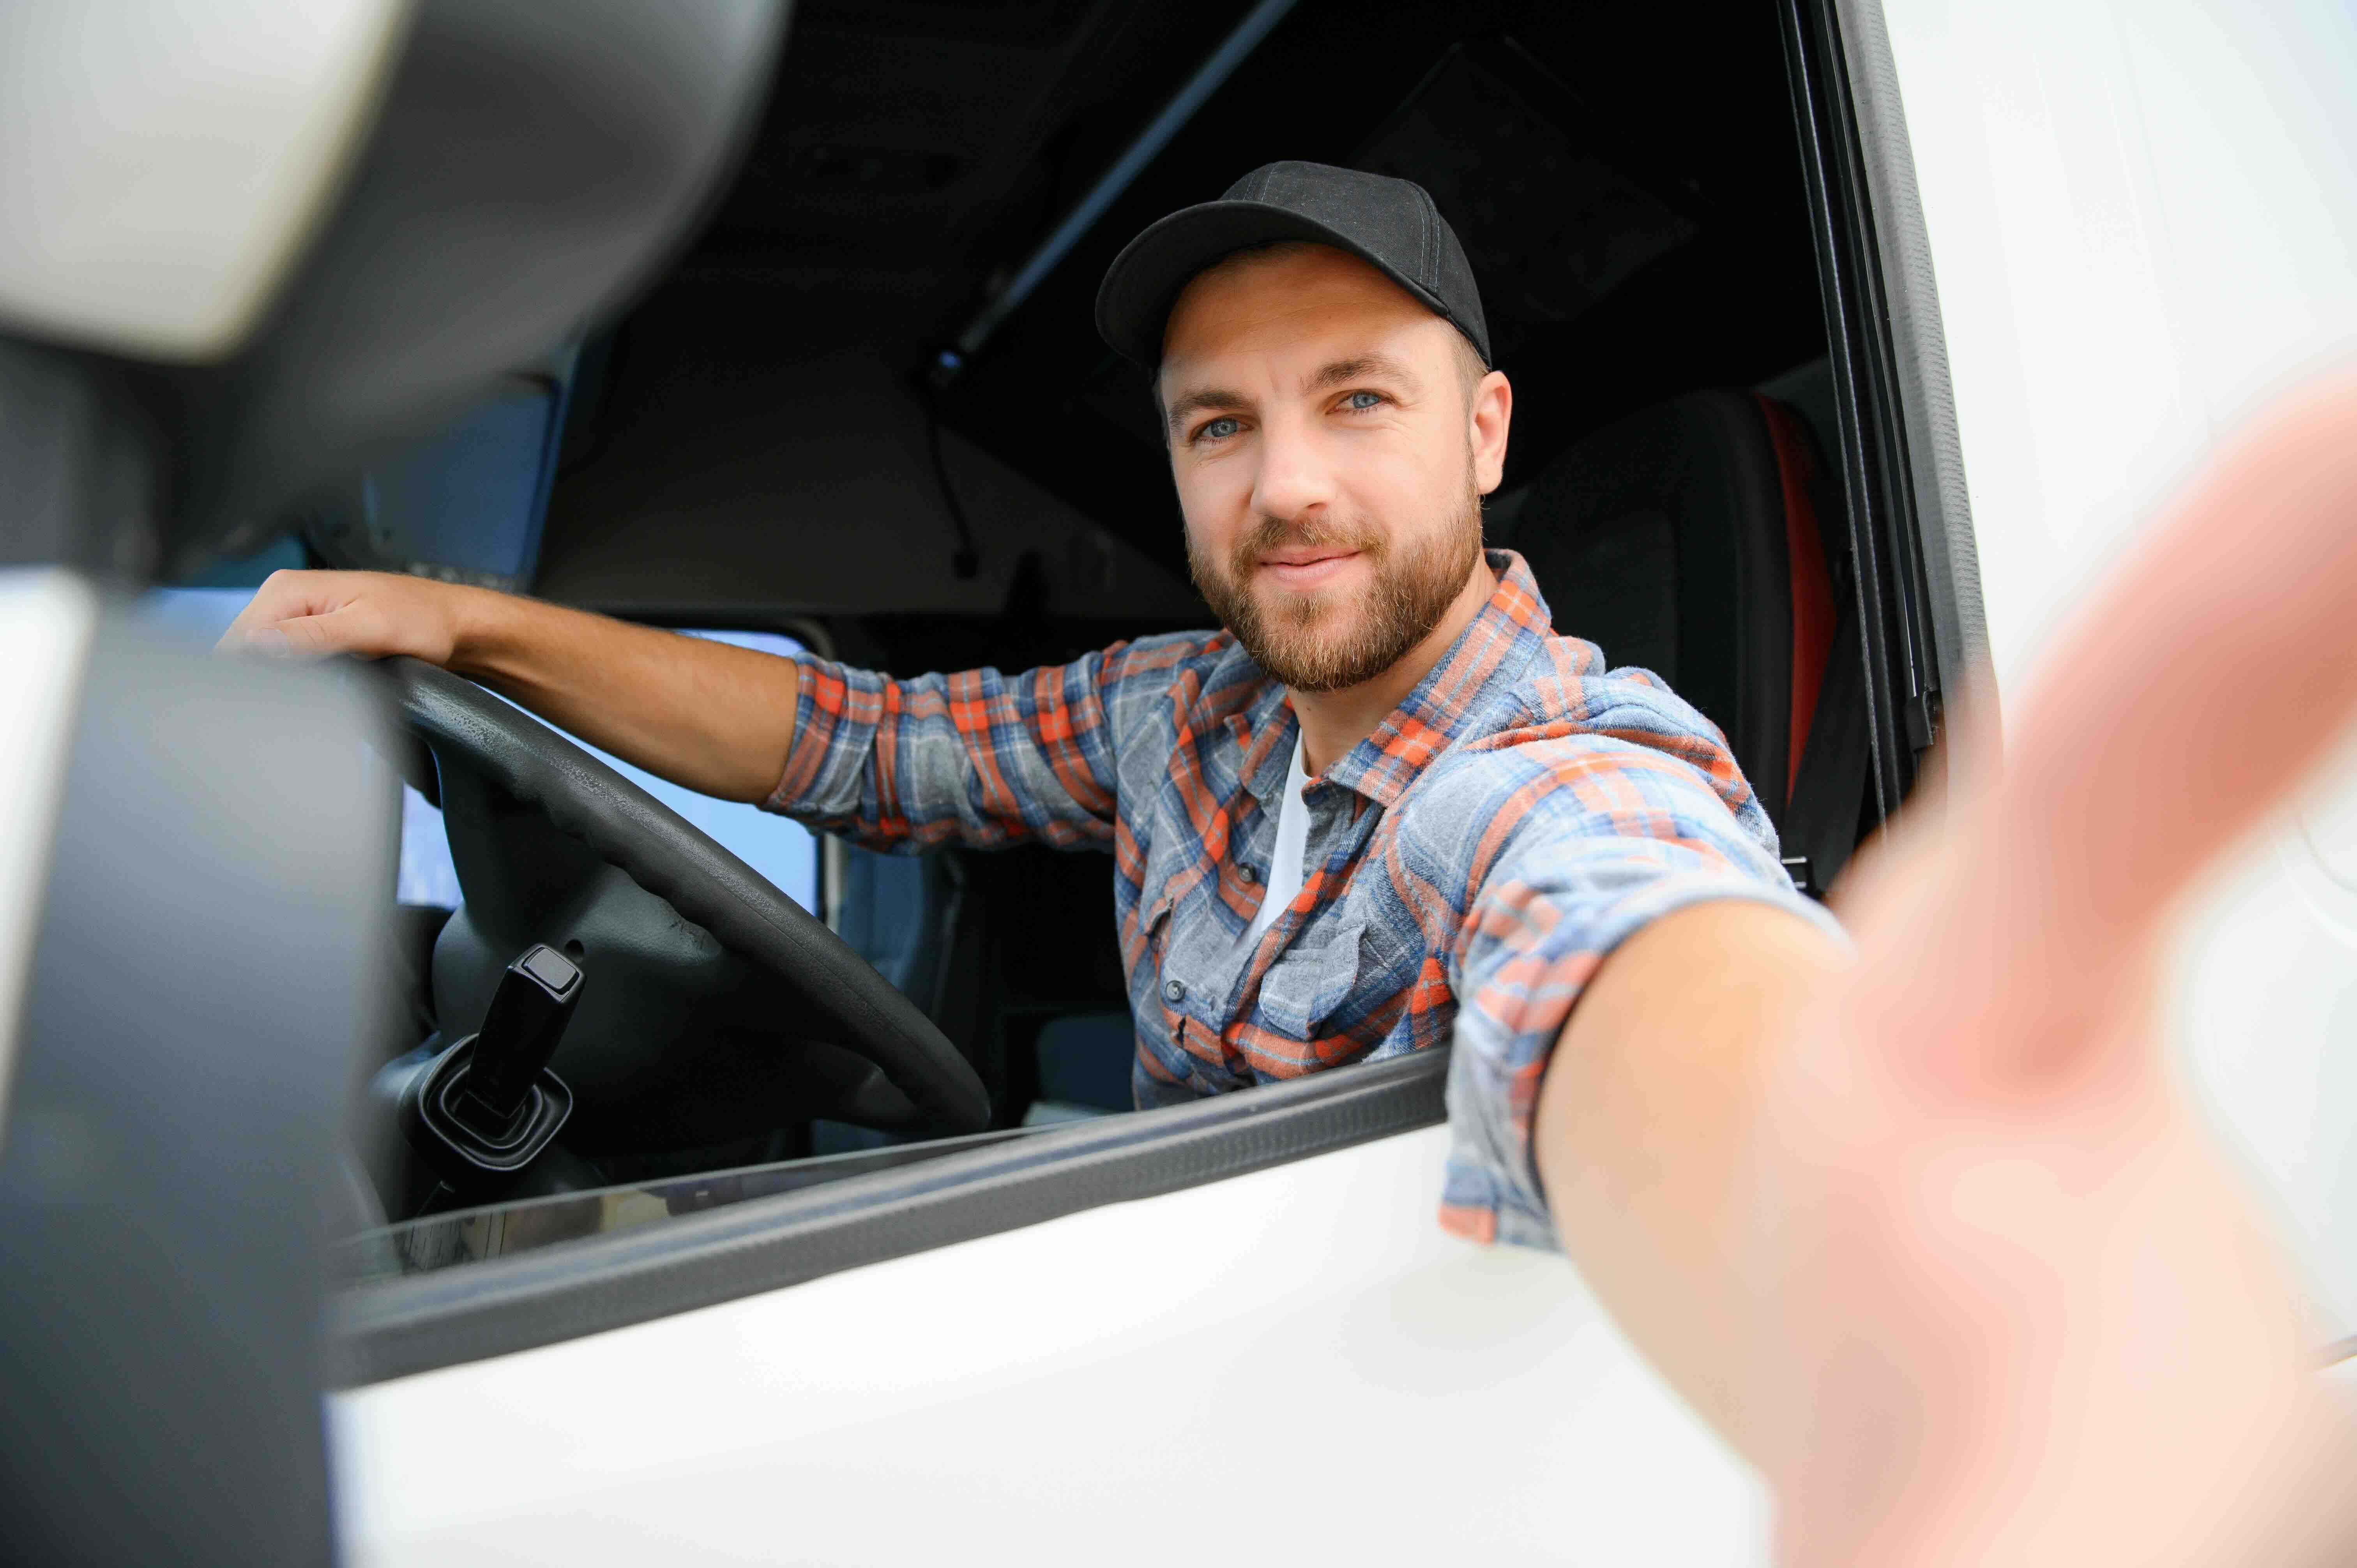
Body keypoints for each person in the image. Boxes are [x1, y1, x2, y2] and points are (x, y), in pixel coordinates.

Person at [226, 162, 2357, 1561]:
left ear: (1488, 429)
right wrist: (465, 622)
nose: (1288, 486)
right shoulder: (1188, 709)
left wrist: (1868, 1261)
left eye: (1358, 400)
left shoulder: (1555, 765)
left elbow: (1632, 949)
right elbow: (850, 735)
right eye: (1219, 425)